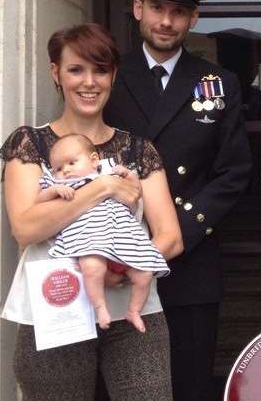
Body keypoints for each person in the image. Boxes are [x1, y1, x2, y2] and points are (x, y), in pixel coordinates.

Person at [73, 0, 252, 401]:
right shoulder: (107, 76)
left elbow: (234, 173)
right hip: (110, 264)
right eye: (157, 9)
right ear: (137, 10)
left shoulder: (216, 83)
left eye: (179, 12)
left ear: (193, 19)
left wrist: (173, 233)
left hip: (187, 268)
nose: (166, 21)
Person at [0, 22, 183, 401]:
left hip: (132, 318)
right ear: (55, 74)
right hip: (52, 317)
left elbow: (169, 236)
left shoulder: (138, 150)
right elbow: (26, 227)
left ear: (113, 76)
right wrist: (100, 188)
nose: (88, 81)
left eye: (100, 70)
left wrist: (121, 270)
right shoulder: (30, 145)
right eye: (76, 69)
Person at [40, 132, 169, 332]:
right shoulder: (60, 184)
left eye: (72, 162)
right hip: (90, 242)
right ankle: (100, 308)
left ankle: (134, 311)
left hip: (124, 241)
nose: (65, 170)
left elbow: (135, 197)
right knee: (92, 268)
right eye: (58, 168)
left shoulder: (109, 174)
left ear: (93, 160)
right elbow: (38, 202)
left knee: (144, 274)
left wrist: (131, 178)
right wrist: (54, 192)